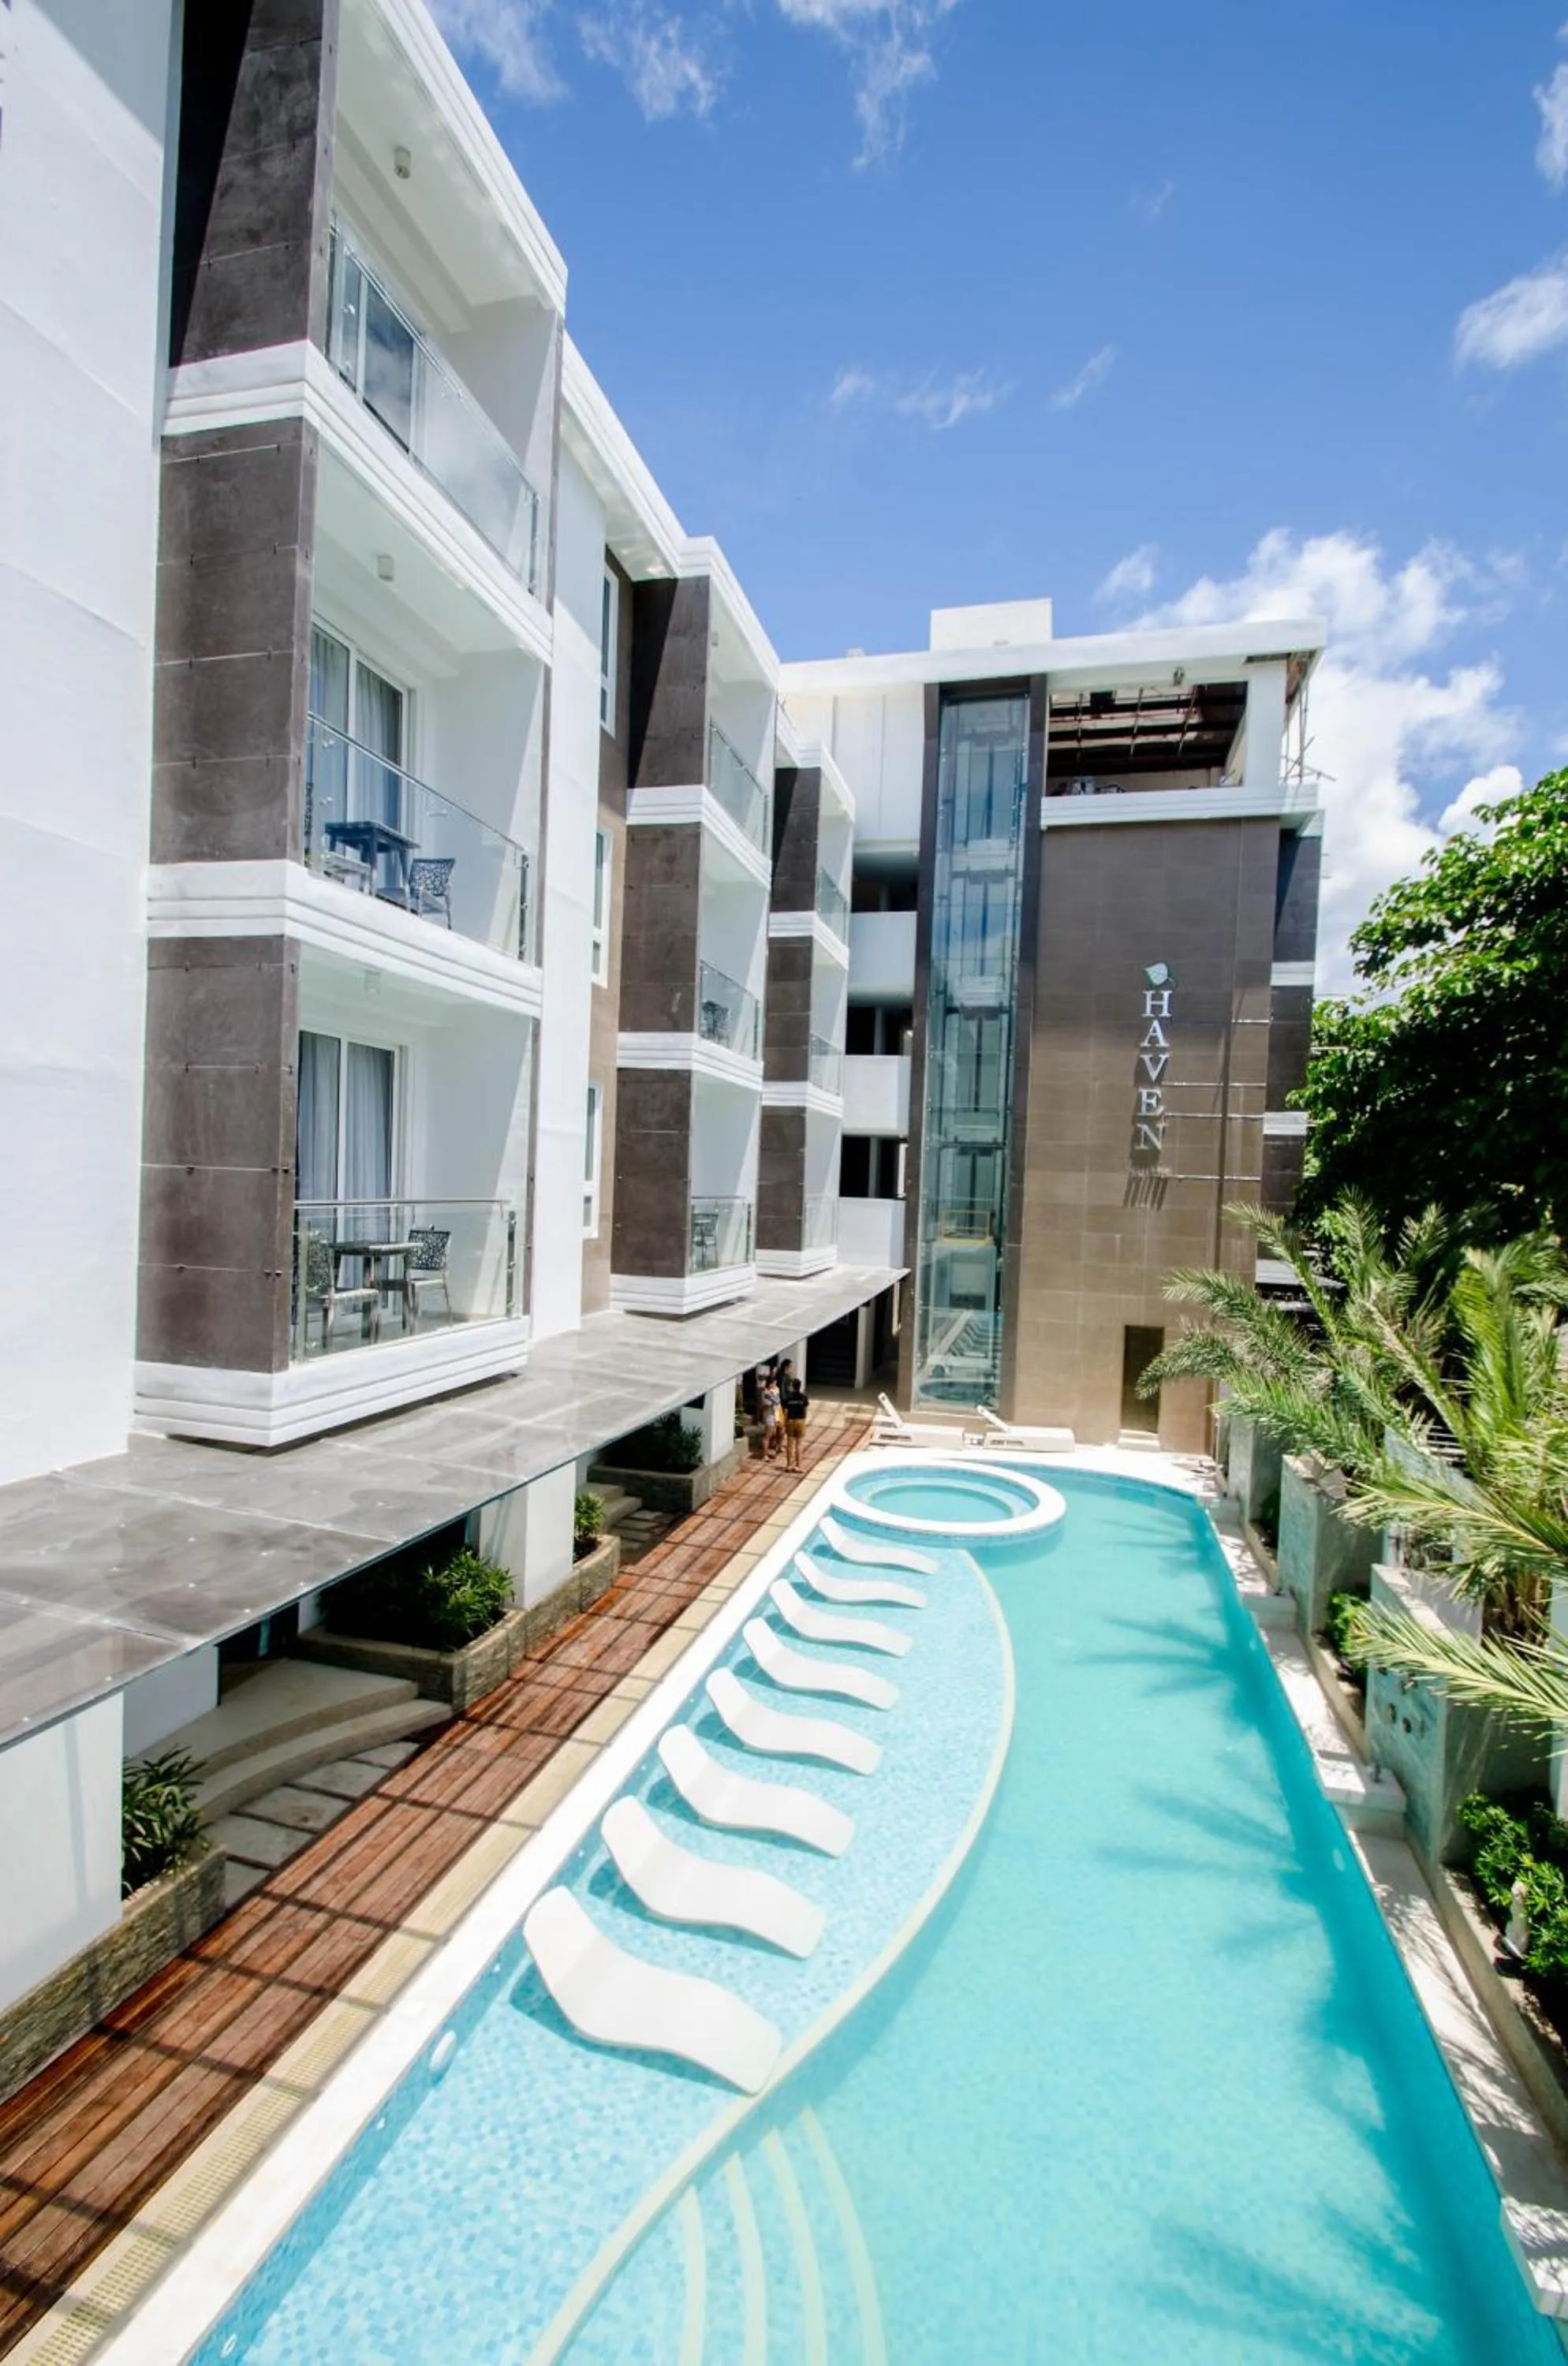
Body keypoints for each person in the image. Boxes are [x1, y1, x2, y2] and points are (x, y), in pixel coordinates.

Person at [782, 1366, 809, 1472]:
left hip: (791, 1421)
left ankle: (788, 1465)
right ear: (800, 1386)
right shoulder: (804, 1397)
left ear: (793, 1387)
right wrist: (804, 1420)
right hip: (800, 1421)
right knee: (799, 1444)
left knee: (789, 1444)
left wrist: (785, 1422)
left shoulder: (788, 1398)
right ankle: (798, 1466)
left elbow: (786, 1411)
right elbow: (806, 1410)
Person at [758, 1363, 782, 1460]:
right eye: (773, 1383)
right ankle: (764, 1455)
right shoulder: (766, 1393)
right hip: (769, 1416)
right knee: (767, 1436)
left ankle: (768, 1452)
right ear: (770, 1384)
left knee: (772, 1434)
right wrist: (772, 1403)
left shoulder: (774, 1391)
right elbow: (765, 1405)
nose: (775, 1385)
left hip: (775, 1415)